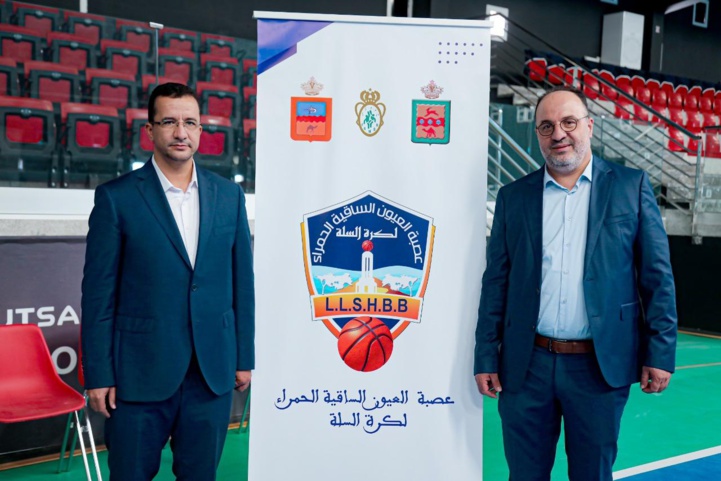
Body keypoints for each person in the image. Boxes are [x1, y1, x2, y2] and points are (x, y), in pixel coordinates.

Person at [474, 86, 677, 481]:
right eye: (547, 126)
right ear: (537, 135)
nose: (559, 134)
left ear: (589, 126)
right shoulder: (513, 198)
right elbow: (495, 281)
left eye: (569, 122)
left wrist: (660, 350)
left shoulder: (630, 187)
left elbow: (657, 276)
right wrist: (486, 354)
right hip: (526, 367)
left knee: (592, 475)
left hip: (598, 368)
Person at [81, 82, 255, 480]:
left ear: (200, 130)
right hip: (137, 377)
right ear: (150, 130)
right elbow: (98, 296)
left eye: (190, 122)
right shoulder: (116, 198)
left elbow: (242, 285)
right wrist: (99, 375)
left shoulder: (229, 196)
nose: (181, 132)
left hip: (210, 374)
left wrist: (243, 357)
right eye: (170, 122)